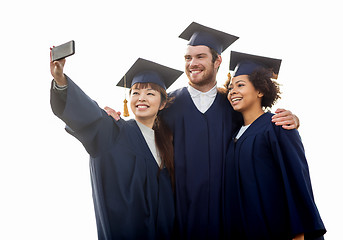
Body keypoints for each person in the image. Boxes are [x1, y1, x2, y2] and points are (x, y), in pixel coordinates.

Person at [106, 22, 300, 239]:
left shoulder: (233, 106)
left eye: (200, 57)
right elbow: (140, 129)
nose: (192, 63)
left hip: (231, 222)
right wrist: (111, 119)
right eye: (188, 58)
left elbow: (257, 124)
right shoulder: (167, 105)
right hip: (179, 223)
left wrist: (292, 119)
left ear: (217, 61)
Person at [50, 55, 183, 239]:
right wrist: (61, 80)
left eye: (150, 93)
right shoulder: (114, 131)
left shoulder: (168, 144)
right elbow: (90, 116)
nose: (141, 98)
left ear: (162, 104)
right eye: (135, 93)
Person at [223, 51, 326, 240]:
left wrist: (299, 235)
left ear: (260, 90)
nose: (233, 91)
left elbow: (296, 181)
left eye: (240, 85)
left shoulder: (278, 126)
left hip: (279, 232)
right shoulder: (233, 137)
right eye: (230, 87)